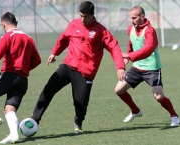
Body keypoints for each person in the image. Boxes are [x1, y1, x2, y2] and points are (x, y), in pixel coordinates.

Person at [31, 1, 125, 134]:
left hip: (85, 72)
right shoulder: (73, 24)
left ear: (93, 15)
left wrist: (120, 67)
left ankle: (78, 121)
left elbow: (114, 47)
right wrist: (54, 52)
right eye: (81, 15)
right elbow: (63, 38)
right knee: (48, 89)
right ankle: (35, 119)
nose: (82, 19)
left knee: (81, 104)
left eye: (85, 16)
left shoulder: (101, 30)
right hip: (68, 66)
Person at [0, 12, 41, 144]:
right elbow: (37, 60)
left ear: (3, 24)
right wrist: (24, 69)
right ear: (17, 23)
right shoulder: (29, 39)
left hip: (8, 76)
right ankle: (14, 135)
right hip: (22, 80)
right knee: (9, 109)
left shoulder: (7, 36)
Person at [114, 6, 180, 126]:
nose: (131, 20)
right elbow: (131, 42)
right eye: (130, 18)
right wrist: (128, 57)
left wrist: (129, 56)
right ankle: (135, 110)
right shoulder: (130, 29)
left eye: (134, 18)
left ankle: (174, 115)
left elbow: (148, 49)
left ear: (142, 17)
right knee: (119, 89)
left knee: (158, 96)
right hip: (137, 67)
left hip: (152, 69)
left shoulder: (150, 31)